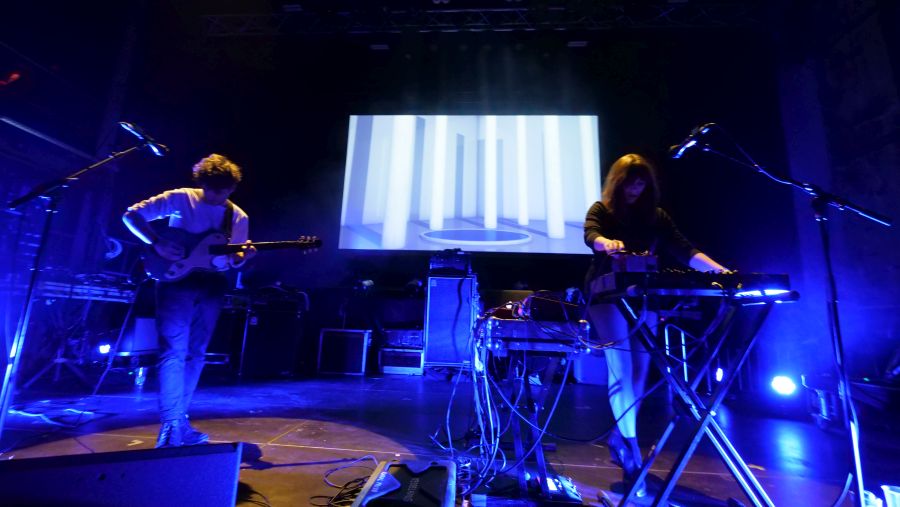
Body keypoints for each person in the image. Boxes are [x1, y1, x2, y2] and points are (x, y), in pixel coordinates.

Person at [583, 153, 727, 494]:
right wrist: (607, 244)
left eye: (641, 183)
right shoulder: (602, 210)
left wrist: (720, 271)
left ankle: (620, 437)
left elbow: (684, 249)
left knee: (639, 372)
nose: (635, 189)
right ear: (618, 183)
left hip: (644, 295)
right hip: (606, 294)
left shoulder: (656, 216)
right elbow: (592, 235)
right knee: (621, 368)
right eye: (630, 183)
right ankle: (631, 452)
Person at [123, 153, 256, 448]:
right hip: (176, 282)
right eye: (213, 190)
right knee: (173, 350)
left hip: (212, 284)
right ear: (202, 183)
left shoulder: (237, 217)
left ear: (233, 187)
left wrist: (243, 258)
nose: (218, 196)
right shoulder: (181, 198)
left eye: (225, 191)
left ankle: (179, 421)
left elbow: (233, 261)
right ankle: (170, 424)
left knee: (196, 353)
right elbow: (131, 215)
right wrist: (156, 241)